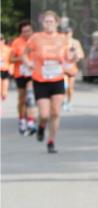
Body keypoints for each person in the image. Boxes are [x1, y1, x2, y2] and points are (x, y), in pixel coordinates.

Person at [23, 11, 74, 154]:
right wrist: (29, 63)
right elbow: (25, 54)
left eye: (52, 22)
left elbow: (68, 56)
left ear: (57, 23)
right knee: (44, 114)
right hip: (40, 79)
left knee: (56, 112)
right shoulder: (35, 38)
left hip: (57, 79)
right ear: (42, 23)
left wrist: (72, 56)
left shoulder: (63, 39)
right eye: (46, 22)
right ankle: (41, 127)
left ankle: (51, 141)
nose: (49, 24)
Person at [8, 20, 36, 134]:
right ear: (20, 33)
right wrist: (22, 59)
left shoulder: (35, 41)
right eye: (24, 32)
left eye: (28, 31)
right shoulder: (16, 42)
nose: (26, 33)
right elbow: (10, 59)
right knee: (21, 99)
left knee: (30, 97)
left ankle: (31, 121)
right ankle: (21, 120)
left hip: (32, 73)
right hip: (20, 73)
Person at [61, 25, 84, 110]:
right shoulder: (60, 42)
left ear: (72, 33)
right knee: (64, 86)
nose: (67, 34)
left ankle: (70, 102)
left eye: (68, 32)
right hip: (62, 69)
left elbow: (81, 54)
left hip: (72, 68)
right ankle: (64, 100)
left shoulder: (75, 42)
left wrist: (77, 56)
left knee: (70, 87)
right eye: (65, 32)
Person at [1, 34, 10, 102]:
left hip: (6, 70)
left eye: (1, 39)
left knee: (4, 91)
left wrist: (11, 69)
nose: (0, 41)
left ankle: (3, 95)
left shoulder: (8, 49)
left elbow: (11, 60)